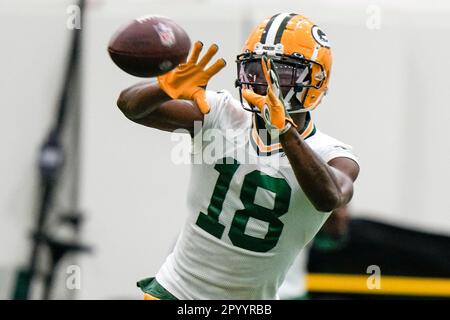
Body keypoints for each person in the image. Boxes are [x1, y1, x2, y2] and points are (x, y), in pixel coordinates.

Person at [117, 13, 360, 300]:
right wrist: (163, 89)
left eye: (282, 72)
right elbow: (129, 106)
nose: (266, 82)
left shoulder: (332, 153)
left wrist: (285, 131)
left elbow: (329, 196)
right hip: (176, 293)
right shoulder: (221, 113)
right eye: (256, 68)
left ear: (316, 80)